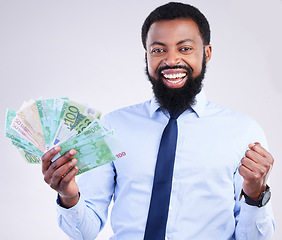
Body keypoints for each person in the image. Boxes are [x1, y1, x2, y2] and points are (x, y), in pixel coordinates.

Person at [42, 2, 275, 239]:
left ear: (206, 53)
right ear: (147, 57)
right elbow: (85, 232)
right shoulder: (111, 128)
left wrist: (256, 195)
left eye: (184, 49)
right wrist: (69, 195)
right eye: (158, 50)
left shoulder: (243, 132)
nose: (171, 60)